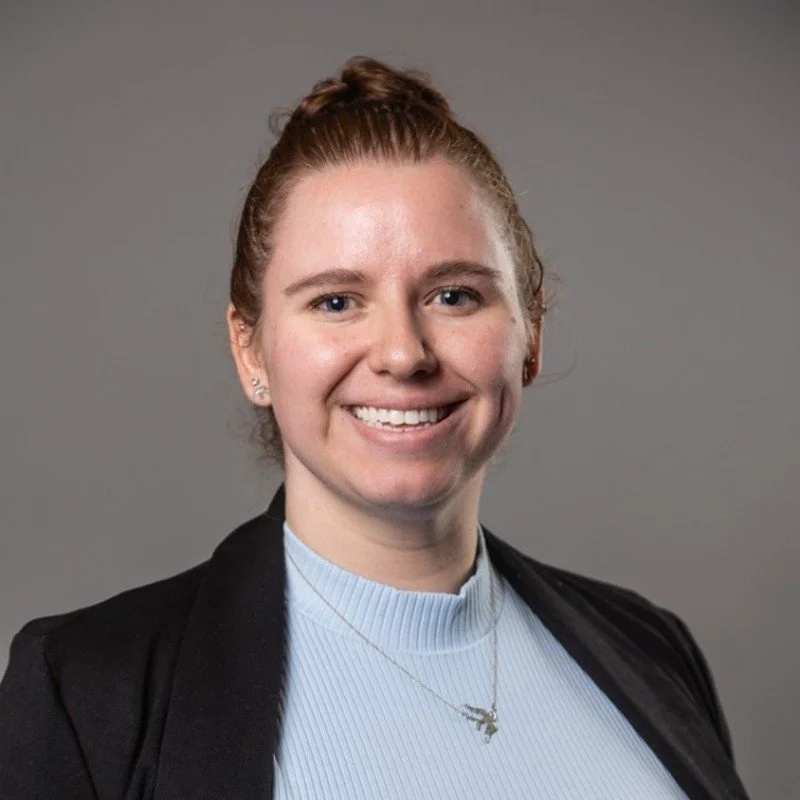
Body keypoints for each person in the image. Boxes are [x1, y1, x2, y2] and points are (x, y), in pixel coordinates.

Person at [0, 56, 750, 800]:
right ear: (251, 350)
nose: (402, 353)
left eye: (454, 295)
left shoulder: (652, 651)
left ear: (532, 333)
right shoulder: (84, 692)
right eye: (336, 302)